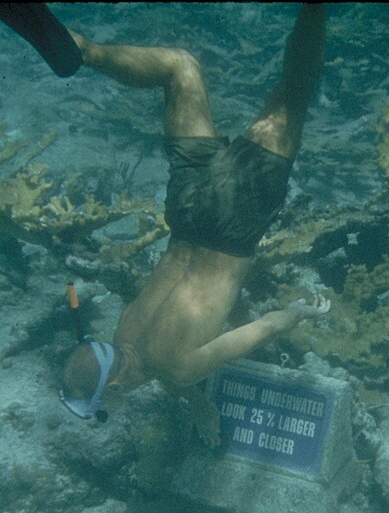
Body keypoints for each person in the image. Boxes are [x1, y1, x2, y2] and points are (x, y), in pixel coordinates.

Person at [56, 5, 330, 446]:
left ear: (115, 389)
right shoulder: (123, 331)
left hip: (234, 220)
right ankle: (82, 51)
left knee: (293, 91)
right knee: (180, 68)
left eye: (103, 411)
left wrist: (302, 312)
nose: (110, 412)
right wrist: (199, 405)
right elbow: (151, 365)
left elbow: (267, 328)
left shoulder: (179, 366)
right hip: (187, 211)